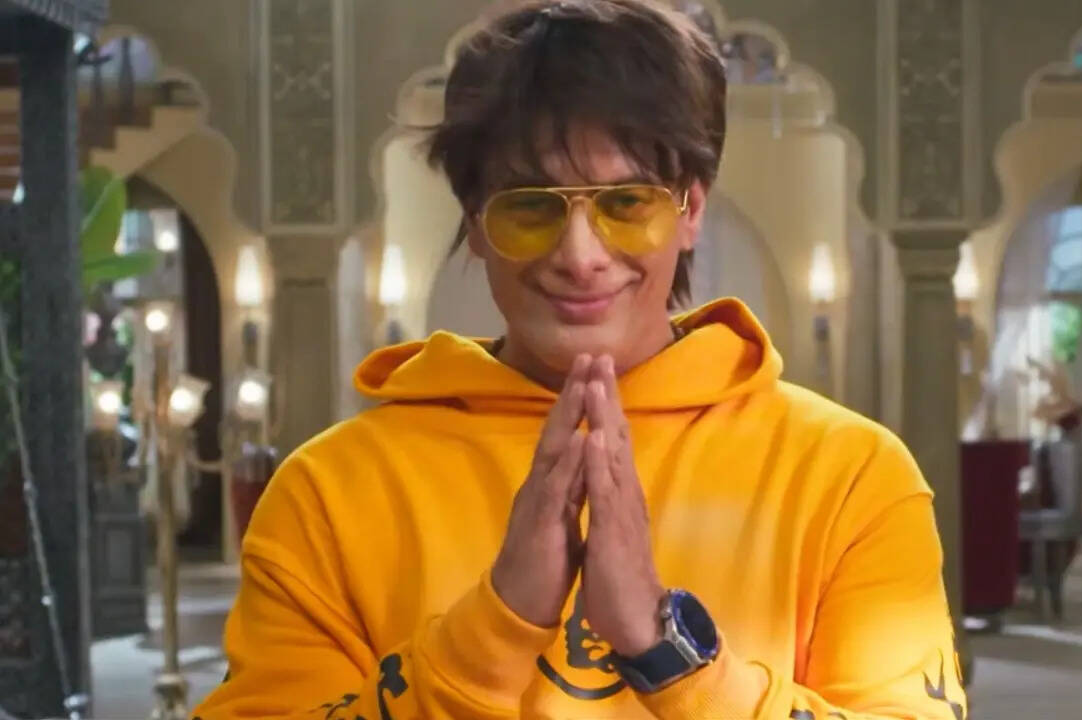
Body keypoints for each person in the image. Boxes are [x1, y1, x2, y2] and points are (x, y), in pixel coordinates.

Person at [194, 0, 967, 717]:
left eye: (626, 203)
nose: (580, 256)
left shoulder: (850, 476)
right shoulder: (328, 493)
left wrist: (670, 653)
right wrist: (492, 629)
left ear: (690, 211)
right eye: (531, 207)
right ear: (476, 222)